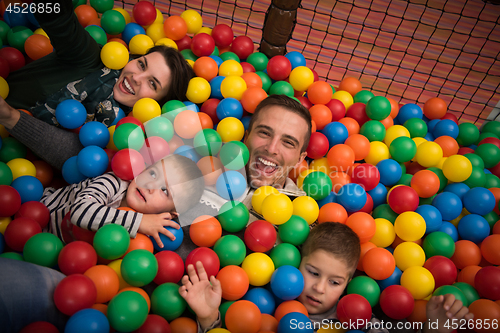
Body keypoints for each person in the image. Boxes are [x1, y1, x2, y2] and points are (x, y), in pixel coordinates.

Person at [0, 0, 194, 170]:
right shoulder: (91, 59)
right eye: (141, 64)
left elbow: (79, 158)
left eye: (152, 83)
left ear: (159, 104)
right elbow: (56, 16)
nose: (136, 77)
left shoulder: (127, 140)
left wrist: (10, 117)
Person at [180, 222, 474, 333]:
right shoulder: (259, 300)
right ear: (298, 261)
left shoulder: (357, 318)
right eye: (312, 273)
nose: (320, 288)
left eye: (334, 282)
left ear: (349, 284)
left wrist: (436, 329)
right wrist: (209, 319)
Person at [43, 153, 205, 247]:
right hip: (43, 214)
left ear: (169, 213)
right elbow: (80, 212)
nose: (150, 185)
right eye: (153, 173)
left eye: (164, 190)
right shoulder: (114, 182)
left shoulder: (147, 233)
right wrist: (140, 222)